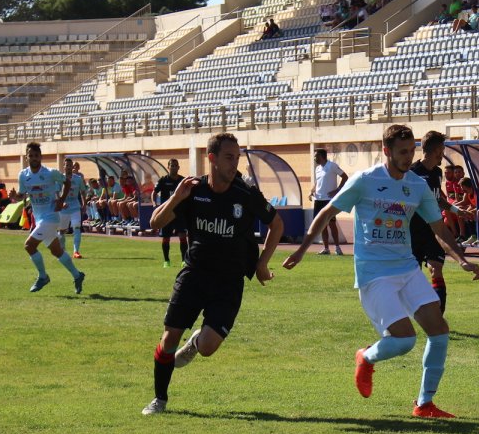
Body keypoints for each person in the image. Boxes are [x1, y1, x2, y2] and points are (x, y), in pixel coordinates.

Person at [283, 125, 479, 419]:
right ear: (386, 150)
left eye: (411, 151)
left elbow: (438, 228)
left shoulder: (417, 186)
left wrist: (461, 259)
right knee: (404, 340)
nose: (407, 157)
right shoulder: (365, 180)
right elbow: (327, 212)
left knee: (439, 332)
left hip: (407, 269)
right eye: (402, 152)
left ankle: (424, 404)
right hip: (374, 273)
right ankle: (366, 357)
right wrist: (301, 250)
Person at [141, 133, 284, 415]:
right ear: (212, 159)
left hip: (229, 282)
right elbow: (156, 222)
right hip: (194, 274)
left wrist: (262, 264)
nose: (235, 164)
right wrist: (176, 199)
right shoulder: (192, 189)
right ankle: (159, 399)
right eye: (229, 157)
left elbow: (276, 224)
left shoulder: (245, 194)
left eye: (237, 158)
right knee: (169, 338)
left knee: (207, 347)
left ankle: (196, 341)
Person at [11, 142, 85, 294]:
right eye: (31, 155)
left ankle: (43, 277)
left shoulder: (50, 173)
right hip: (39, 218)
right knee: (57, 251)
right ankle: (78, 275)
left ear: (41, 157)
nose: (34, 158)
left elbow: (67, 181)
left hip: (51, 217)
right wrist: (15, 197)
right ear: (27, 157)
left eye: (36, 155)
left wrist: (61, 200)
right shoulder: (23, 175)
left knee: (29, 246)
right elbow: (22, 194)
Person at [408, 131, 459, 313]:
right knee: (412, 277)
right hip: (413, 233)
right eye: (443, 149)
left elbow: (437, 199)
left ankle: (438, 317)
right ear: (437, 150)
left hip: (434, 232)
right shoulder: (412, 173)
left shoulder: (437, 173)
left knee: (435, 269)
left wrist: (455, 210)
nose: (443, 154)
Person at [310, 148, 348, 255]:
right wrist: (312, 191)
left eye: (316, 156)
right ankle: (326, 248)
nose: (314, 158)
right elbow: (318, 182)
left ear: (322, 156)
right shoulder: (317, 168)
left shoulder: (332, 166)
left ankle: (337, 247)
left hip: (328, 200)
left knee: (332, 224)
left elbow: (345, 177)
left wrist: (337, 190)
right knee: (322, 225)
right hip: (318, 200)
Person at [153, 159, 189, 268]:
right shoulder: (163, 180)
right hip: (167, 212)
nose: (173, 167)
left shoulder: (183, 181)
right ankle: (166, 261)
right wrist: (154, 204)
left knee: (182, 235)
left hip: (179, 212)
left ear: (178, 167)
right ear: (168, 167)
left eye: (175, 165)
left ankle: (184, 260)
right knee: (166, 237)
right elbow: (154, 192)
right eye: (171, 166)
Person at [57, 161, 86, 259]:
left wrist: (84, 204)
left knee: (77, 227)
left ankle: (76, 251)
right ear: (64, 167)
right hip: (63, 208)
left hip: (75, 207)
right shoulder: (60, 178)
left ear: (72, 167)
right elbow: (56, 192)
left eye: (70, 165)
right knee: (61, 231)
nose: (68, 167)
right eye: (66, 165)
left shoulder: (78, 179)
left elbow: (82, 191)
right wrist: (61, 201)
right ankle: (63, 250)